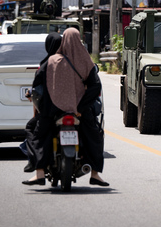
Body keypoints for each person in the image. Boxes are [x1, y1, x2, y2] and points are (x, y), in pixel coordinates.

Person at [23, 28, 108, 187]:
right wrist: (80, 108)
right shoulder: (86, 61)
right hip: (79, 113)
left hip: (52, 111)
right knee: (94, 135)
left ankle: (39, 173)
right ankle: (95, 174)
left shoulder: (52, 61)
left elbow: (37, 85)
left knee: (38, 133)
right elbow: (95, 87)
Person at [22, 32, 62, 172]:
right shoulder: (71, 62)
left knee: (31, 128)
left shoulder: (45, 65)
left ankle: (35, 163)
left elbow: (38, 91)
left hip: (49, 111)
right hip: (73, 110)